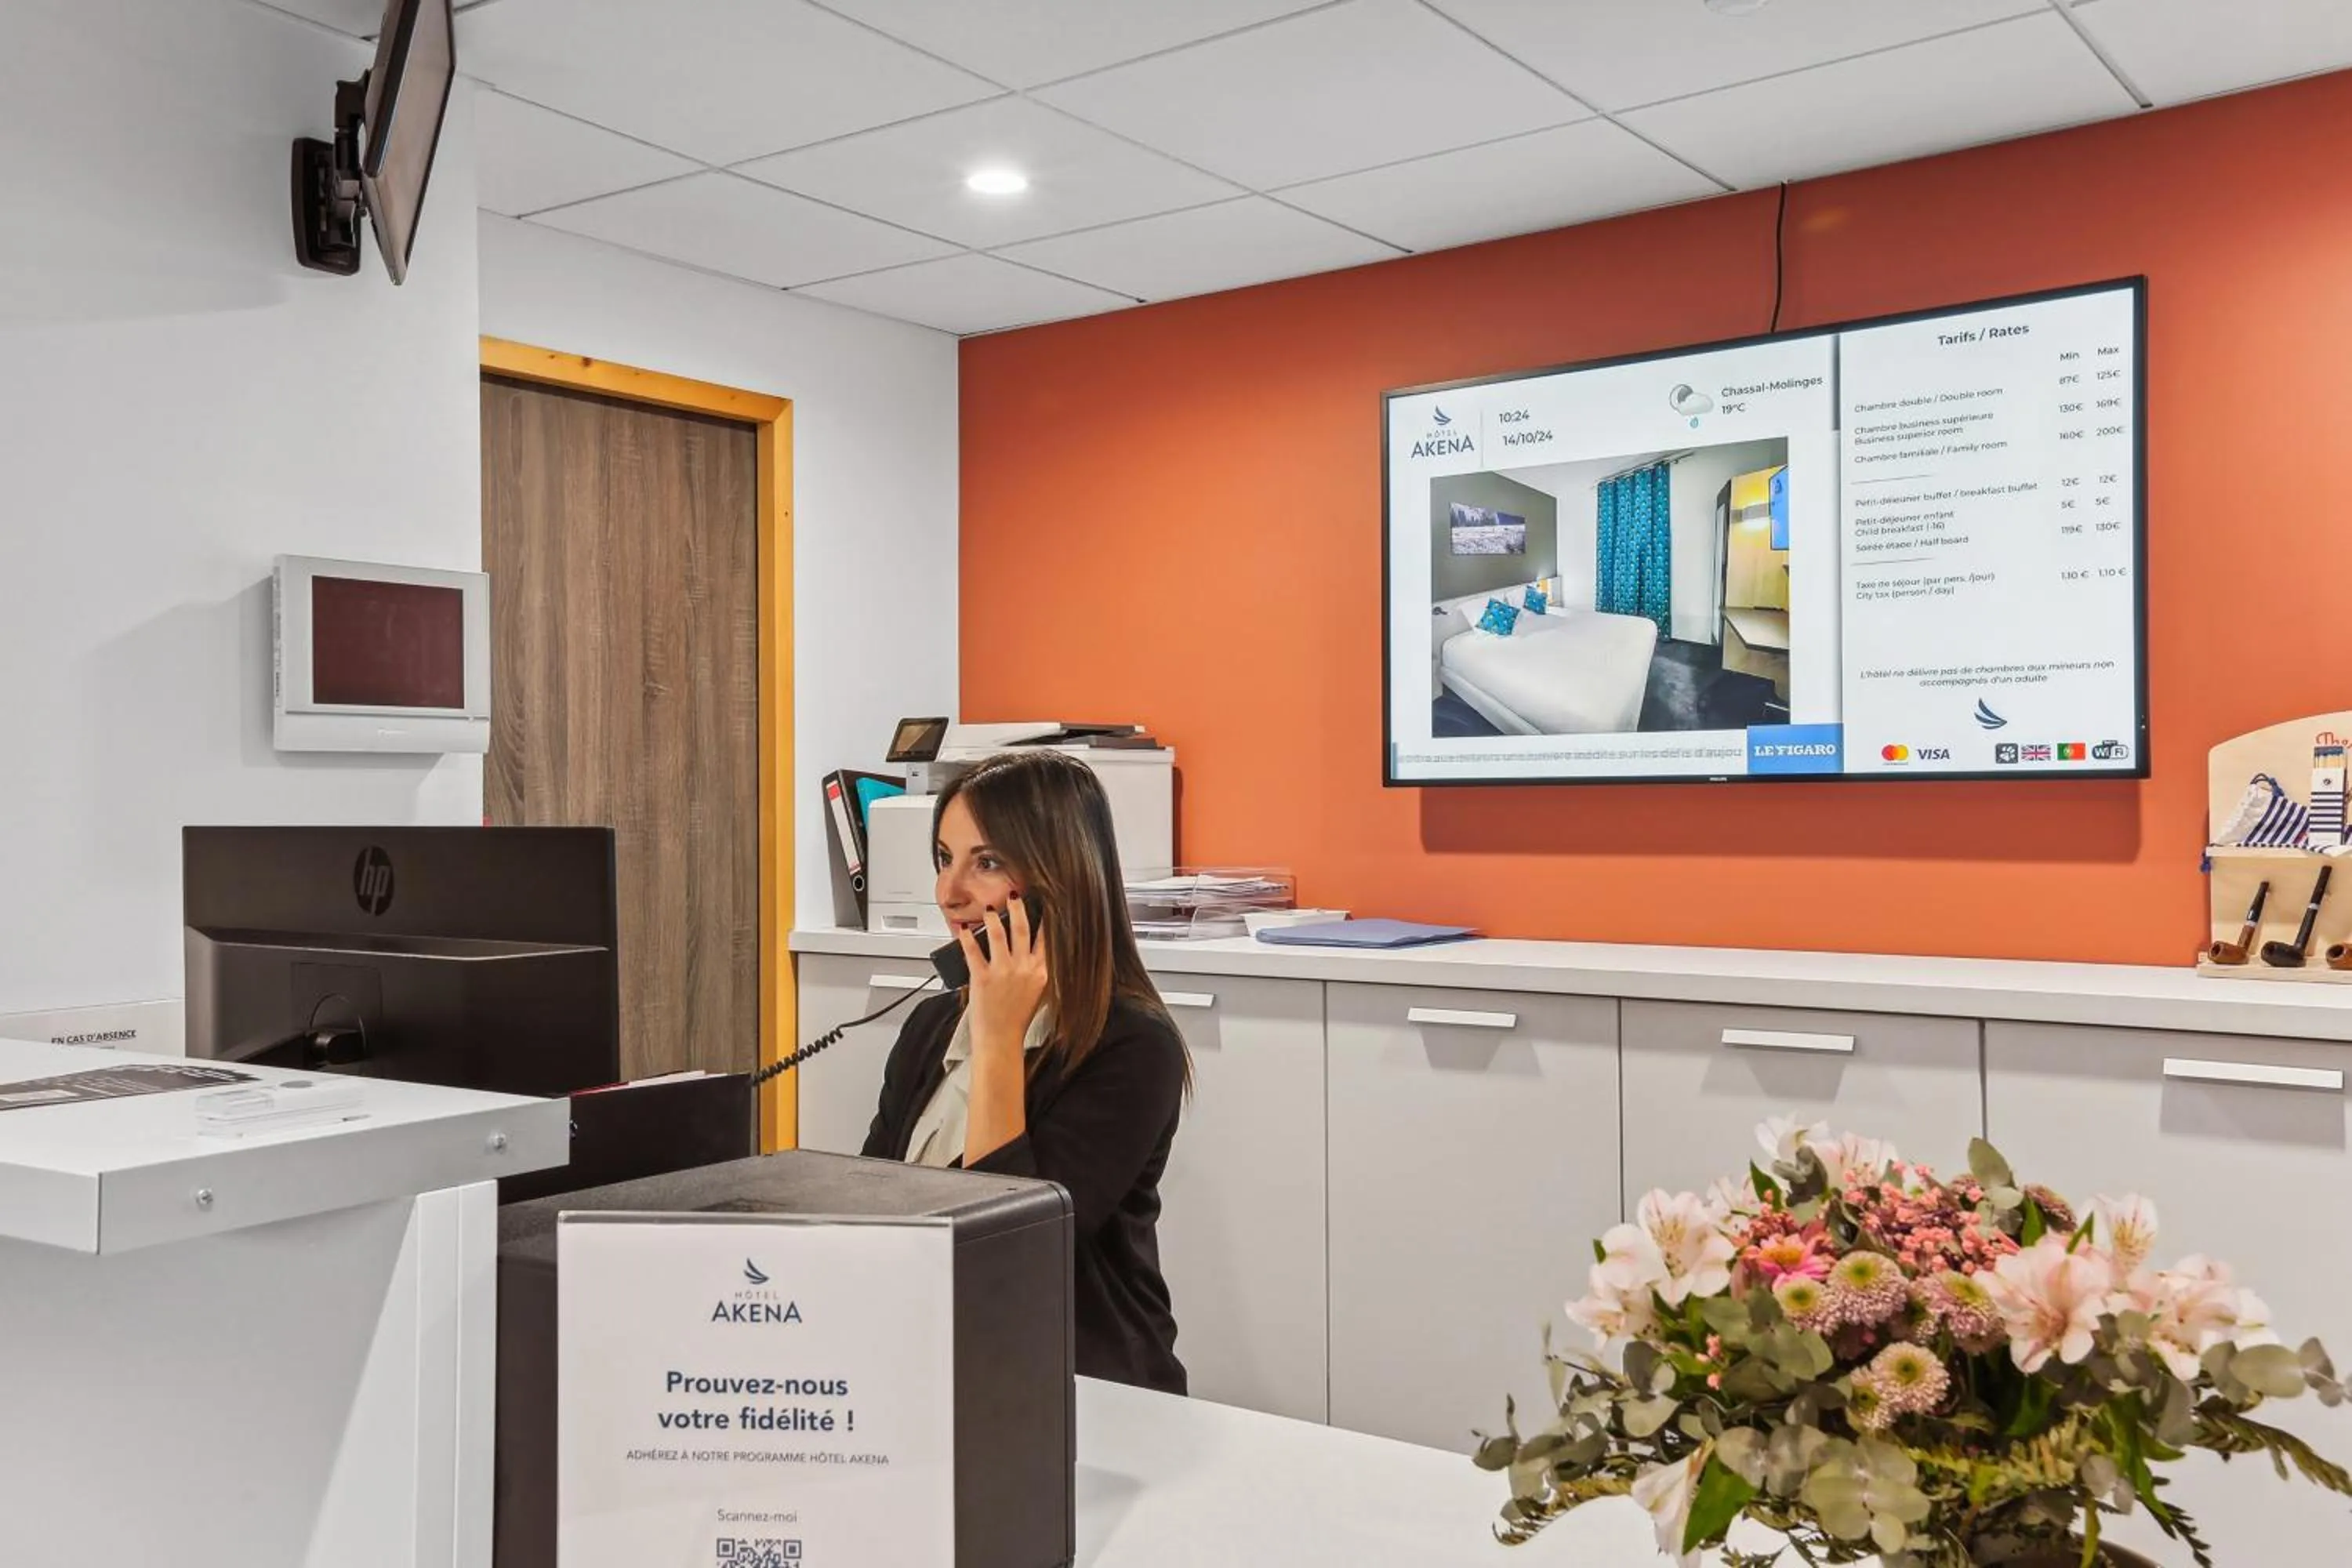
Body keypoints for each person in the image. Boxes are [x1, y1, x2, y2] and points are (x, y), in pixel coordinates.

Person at [861, 749, 1191, 1394]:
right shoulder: (930, 1026)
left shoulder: (1131, 1046)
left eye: (986, 862)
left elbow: (1012, 1249)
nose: (948, 893)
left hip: (1081, 1387)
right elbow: (869, 1203)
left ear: (1057, 878)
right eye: (943, 858)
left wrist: (999, 1036)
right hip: (938, 1366)